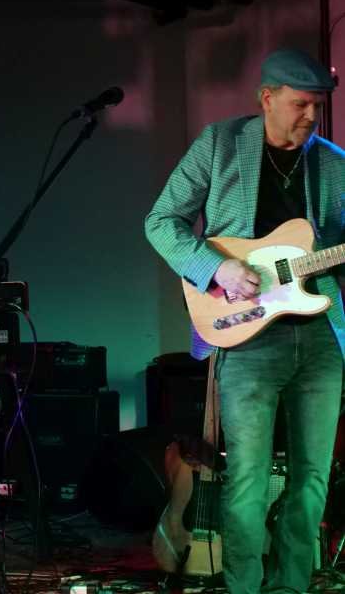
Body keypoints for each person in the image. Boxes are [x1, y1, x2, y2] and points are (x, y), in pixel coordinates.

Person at [145, 49, 345, 594]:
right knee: (248, 479)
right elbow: (161, 221)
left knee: (312, 479)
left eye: (318, 105)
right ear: (267, 98)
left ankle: (292, 586)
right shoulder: (220, 144)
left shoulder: (334, 163)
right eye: (300, 104)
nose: (311, 116)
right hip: (246, 337)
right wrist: (217, 268)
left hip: (321, 338)